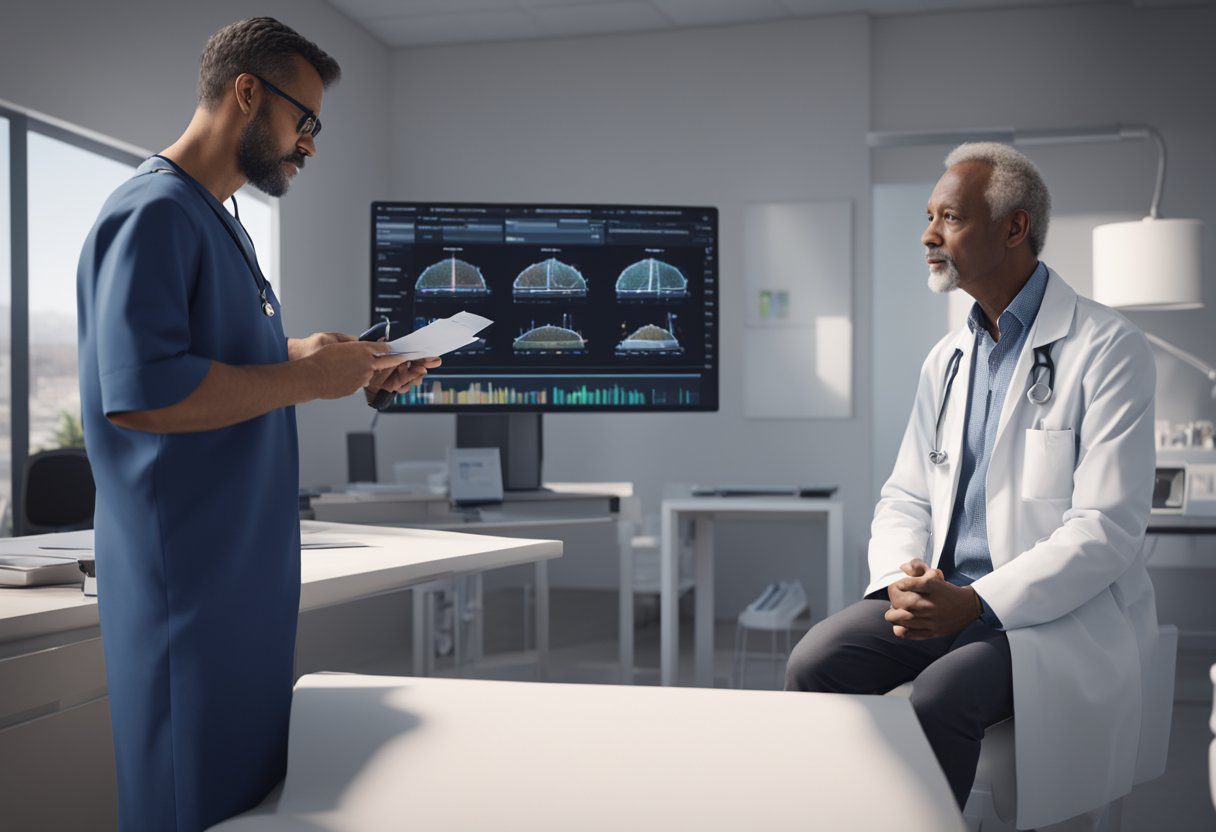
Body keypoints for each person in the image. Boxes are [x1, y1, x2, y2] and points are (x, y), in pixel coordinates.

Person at [76, 18, 439, 832]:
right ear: (247, 93)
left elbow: (225, 360)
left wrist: (323, 357)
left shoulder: (220, 221)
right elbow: (142, 393)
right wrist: (306, 378)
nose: (308, 145)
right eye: (302, 120)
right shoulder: (153, 213)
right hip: (187, 596)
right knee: (189, 810)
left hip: (240, 587)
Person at [785, 143, 1159, 828]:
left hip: (1046, 615)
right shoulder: (947, 359)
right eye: (929, 216)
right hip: (942, 594)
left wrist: (976, 602)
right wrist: (904, 579)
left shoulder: (1109, 349)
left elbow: (1105, 528)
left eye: (949, 218)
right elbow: (906, 495)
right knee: (815, 661)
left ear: (1013, 228)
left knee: (944, 695)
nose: (929, 235)